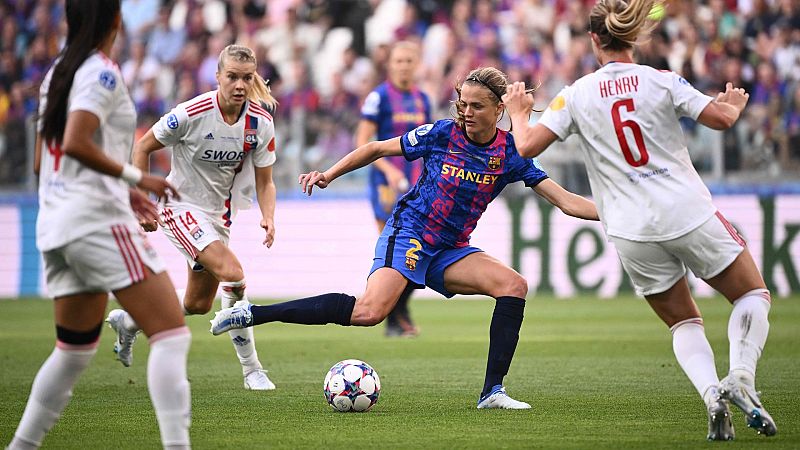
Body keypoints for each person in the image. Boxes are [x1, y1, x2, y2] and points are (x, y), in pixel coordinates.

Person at [210, 67, 599, 409]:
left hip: (451, 249)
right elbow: (378, 148)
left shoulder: (512, 153)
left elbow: (566, 201)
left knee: (514, 286)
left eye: (476, 106)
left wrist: (618, 216)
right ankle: (253, 313)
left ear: (499, 110)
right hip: (410, 231)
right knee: (368, 313)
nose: (465, 112)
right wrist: (329, 173)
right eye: (462, 103)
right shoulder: (443, 134)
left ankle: (492, 392)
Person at [502, 0, 776, 440]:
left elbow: (527, 146)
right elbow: (721, 119)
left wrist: (518, 112)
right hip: (686, 211)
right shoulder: (662, 81)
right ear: (633, 37)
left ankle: (711, 396)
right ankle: (741, 376)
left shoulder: (575, 93)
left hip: (631, 231)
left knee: (684, 322)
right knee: (753, 294)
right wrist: (734, 104)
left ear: (593, 39)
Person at [7, 1, 191, 448]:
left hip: (55, 225)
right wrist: (136, 177)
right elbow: (75, 142)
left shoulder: (57, 73)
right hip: (94, 222)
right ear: (115, 21)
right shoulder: (101, 71)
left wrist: (121, 191)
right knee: (170, 334)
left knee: (72, 352)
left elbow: (41, 161)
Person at [105, 44, 279, 391]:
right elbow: (142, 147)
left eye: (247, 78)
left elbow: (266, 181)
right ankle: (252, 371)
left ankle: (131, 321)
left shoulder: (260, 123)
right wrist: (142, 201)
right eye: (232, 77)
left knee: (197, 304)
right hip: (178, 208)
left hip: (217, 217)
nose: (240, 85)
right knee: (234, 275)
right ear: (218, 77)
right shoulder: (191, 112)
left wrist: (269, 217)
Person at [355, 40, 432, 337]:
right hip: (385, 186)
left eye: (409, 61)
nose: (403, 66)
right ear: (390, 65)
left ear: (417, 64)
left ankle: (396, 317)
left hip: (417, 186)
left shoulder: (423, 100)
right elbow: (363, 140)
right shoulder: (378, 98)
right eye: (398, 61)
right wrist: (387, 170)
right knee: (393, 254)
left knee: (419, 252)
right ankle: (396, 319)